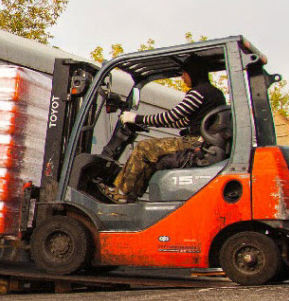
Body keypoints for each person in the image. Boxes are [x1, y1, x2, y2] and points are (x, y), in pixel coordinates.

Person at [97, 58, 227, 204]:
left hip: (194, 142)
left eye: (184, 73)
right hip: (203, 141)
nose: (182, 78)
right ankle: (131, 195)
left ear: (193, 73)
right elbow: (183, 121)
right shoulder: (215, 94)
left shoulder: (198, 92)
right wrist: (154, 123)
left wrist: (136, 118)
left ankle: (121, 192)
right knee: (152, 156)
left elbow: (171, 116)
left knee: (144, 147)